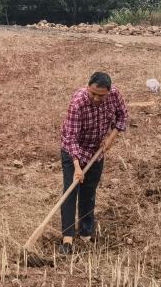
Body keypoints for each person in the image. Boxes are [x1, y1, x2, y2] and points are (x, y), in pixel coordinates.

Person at [58, 71, 129, 251]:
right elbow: (71, 138)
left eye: (101, 95)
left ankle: (86, 232)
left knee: (89, 191)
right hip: (73, 150)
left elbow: (123, 116)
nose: (96, 98)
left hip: (96, 151)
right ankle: (67, 238)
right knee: (70, 190)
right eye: (93, 94)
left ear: (108, 92)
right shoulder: (78, 103)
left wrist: (111, 138)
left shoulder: (114, 95)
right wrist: (77, 167)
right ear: (88, 87)